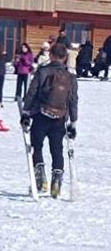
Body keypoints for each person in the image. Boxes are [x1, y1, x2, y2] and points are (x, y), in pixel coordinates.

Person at [21, 43, 78, 199]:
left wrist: (26, 112)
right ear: (65, 57)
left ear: (51, 55)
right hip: (59, 118)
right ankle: (56, 182)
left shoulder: (42, 72)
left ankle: (40, 179)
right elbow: (73, 100)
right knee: (57, 150)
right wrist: (73, 122)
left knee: (36, 146)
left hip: (40, 115)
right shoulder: (70, 77)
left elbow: (32, 92)